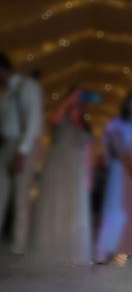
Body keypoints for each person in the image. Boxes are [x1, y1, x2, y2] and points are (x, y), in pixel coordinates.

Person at [30, 86, 93, 263]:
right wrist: (69, 100)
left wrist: (89, 177)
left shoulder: (86, 126)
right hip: (58, 168)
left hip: (77, 173)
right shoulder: (60, 119)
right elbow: (54, 119)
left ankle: (73, 254)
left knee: (75, 209)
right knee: (56, 205)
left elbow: (87, 153)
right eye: (76, 98)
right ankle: (49, 252)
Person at [94, 90, 132, 263]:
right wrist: (131, 166)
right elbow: (109, 153)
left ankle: (129, 256)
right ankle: (108, 256)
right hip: (119, 175)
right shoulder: (116, 126)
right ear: (127, 103)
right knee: (116, 214)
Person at [0, 52, 43, 255]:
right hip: (6, 145)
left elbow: (33, 122)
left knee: (20, 202)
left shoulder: (27, 87)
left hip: (21, 146)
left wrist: (22, 152)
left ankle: (18, 251)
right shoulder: (6, 93)